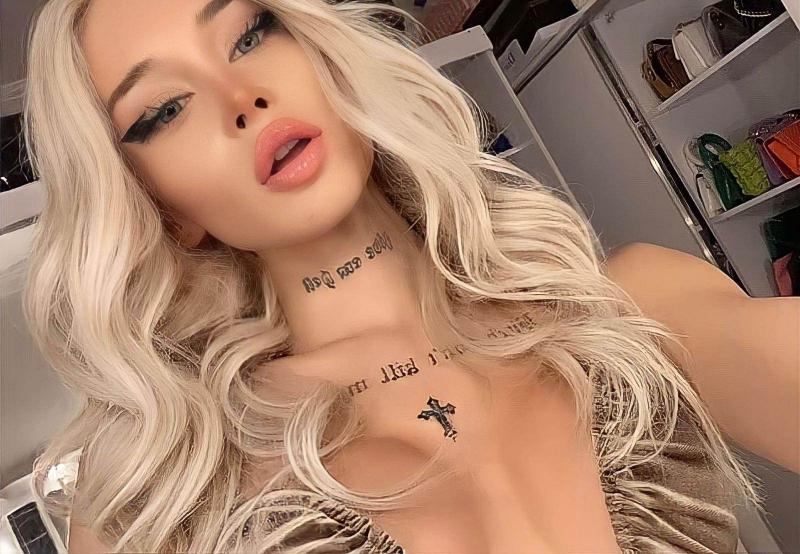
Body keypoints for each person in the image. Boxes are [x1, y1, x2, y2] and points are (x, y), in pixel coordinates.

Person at [19, 0, 797, 552]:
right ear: (161, 207)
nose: (240, 100)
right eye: (164, 110)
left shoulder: (638, 309)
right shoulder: (160, 507)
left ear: (322, 53)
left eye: (249, 34)